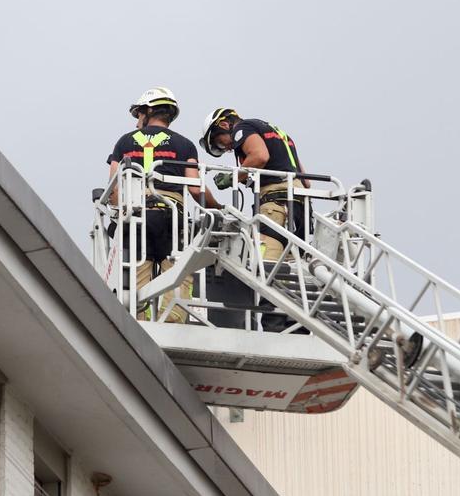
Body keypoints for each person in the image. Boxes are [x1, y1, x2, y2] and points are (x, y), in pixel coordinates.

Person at [107, 87, 220, 322]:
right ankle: (173, 321)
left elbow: (114, 187)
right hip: (173, 217)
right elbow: (195, 188)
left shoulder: (124, 142)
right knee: (176, 274)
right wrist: (217, 208)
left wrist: (118, 216)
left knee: (137, 275)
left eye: (138, 114)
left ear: (148, 111)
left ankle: (139, 323)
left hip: (137, 217)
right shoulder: (185, 145)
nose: (138, 120)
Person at [199, 108, 309, 261]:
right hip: (300, 203)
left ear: (224, 125)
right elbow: (306, 182)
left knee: (264, 262)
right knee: (292, 263)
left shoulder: (242, 128)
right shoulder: (279, 134)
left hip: (275, 203)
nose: (228, 148)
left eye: (220, 143)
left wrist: (232, 177)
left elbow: (260, 156)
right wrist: (246, 177)